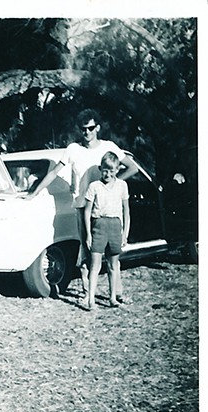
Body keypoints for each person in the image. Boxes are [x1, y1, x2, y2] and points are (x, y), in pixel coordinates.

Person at [27, 109, 138, 296]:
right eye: (83, 129)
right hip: (83, 208)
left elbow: (132, 168)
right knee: (86, 251)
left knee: (112, 253)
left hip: (107, 210)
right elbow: (53, 172)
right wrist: (34, 193)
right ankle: (88, 294)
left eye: (91, 128)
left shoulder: (108, 147)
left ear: (98, 128)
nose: (87, 132)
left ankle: (117, 293)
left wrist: (113, 184)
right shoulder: (73, 149)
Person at [82, 151, 130, 310]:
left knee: (113, 265)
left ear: (117, 170)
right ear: (100, 169)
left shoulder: (122, 185)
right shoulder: (94, 186)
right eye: (105, 170)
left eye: (111, 170)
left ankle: (112, 297)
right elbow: (87, 211)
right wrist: (88, 234)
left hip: (115, 226)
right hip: (99, 225)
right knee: (95, 265)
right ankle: (91, 300)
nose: (108, 174)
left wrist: (125, 233)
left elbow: (126, 211)